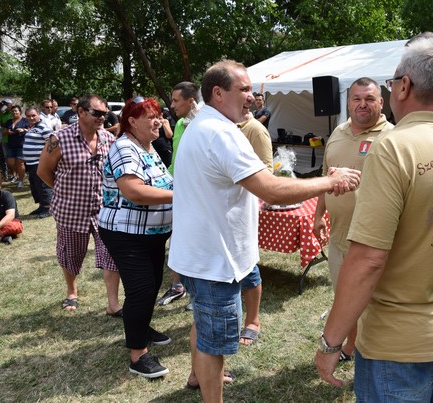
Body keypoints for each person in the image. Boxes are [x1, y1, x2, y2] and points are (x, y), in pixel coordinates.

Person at [314, 34, 433, 402]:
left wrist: (330, 343)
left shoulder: (394, 147)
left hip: (397, 342)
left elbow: (368, 259)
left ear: (404, 86)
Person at [168, 59, 360, 402]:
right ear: (218, 93)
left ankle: (198, 377)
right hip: (214, 261)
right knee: (214, 344)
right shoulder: (221, 133)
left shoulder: (204, 125)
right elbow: (271, 189)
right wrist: (330, 182)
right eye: (243, 89)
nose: (252, 97)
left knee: (203, 323)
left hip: (200, 255)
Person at [313, 77, 393, 360]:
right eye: (357, 99)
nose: (362, 104)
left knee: (373, 303)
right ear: (348, 103)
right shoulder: (337, 133)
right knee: (344, 298)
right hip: (339, 237)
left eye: (369, 99)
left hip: (373, 240)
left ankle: (372, 355)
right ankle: (351, 346)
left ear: (381, 102)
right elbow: (327, 177)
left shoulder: (392, 137)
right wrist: (318, 215)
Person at [98, 96, 174, 379]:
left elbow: (161, 183)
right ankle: (138, 355)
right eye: (151, 117)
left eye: (159, 115)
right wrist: (182, 195)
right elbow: (134, 191)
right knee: (141, 289)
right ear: (131, 121)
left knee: (151, 286)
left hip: (152, 234)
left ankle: (141, 328)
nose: (158, 121)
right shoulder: (124, 148)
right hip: (126, 234)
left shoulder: (148, 147)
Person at [37, 94, 122, 315]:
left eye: (104, 114)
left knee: (111, 255)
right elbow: (43, 171)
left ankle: (113, 304)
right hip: (71, 211)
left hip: (104, 210)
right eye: (97, 113)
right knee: (71, 256)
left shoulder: (109, 139)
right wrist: (62, 190)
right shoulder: (58, 139)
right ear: (81, 112)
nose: (102, 117)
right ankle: (72, 291)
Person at [155, 81, 202, 309]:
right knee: (177, 240)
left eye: (175, 100)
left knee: (195, 242)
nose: (171, 105)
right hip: (177, 190)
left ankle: (197, 292)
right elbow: (176, 159)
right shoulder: (182, 123)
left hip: (197, 194)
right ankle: (178, 286)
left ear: (190, 101)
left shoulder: (206, 124)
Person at [236, 112, 274, 345]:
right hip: (221, 214)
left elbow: (267, 169)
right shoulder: (221, 127)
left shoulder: (255, 129)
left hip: (242, 210)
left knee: (247, 265)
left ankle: (252, 321)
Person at [23, 107, 53, 218]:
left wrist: (46, 159)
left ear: (38, 115)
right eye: (28, 116)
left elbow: (52, 144)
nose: (31, 118)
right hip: (31, 163)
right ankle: (42, 206)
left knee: (43, 185)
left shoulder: (43, 127)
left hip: (39, 162)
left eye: (33, 115)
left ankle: (48, 208)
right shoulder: (32, 128)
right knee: (35, 185)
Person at [4, 105, 30, 188]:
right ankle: (17, 175)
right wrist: (8, 132)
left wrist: (23, 130)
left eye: (16, 111)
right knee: (10, 163)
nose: (14, 112)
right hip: (11, 144)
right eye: (13, 111)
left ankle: (20, 181)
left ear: (20, 112)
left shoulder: (25, 121)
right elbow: (4, 132)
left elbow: (30, 129)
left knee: (20, 162)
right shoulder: (9, 121)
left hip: (21, 144)